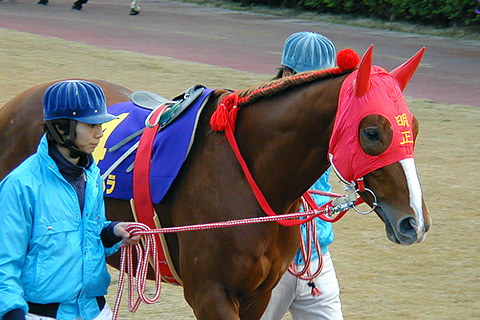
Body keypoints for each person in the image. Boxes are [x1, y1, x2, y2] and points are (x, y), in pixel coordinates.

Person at [0, 80, 141, 320]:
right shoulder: (20, 185)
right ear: (63, 129)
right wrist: (12, 314)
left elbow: (88, 235)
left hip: (96, 312)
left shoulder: (92, 176)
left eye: (101, 125)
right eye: (91, 125)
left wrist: (112, 232)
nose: (100, 133)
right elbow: (5, 262)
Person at [261, 32, 343, 320]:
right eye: (312, 81)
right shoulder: (261, 122)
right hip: (268, 261)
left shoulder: (329, 121)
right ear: (287, 74)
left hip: (316, 258)